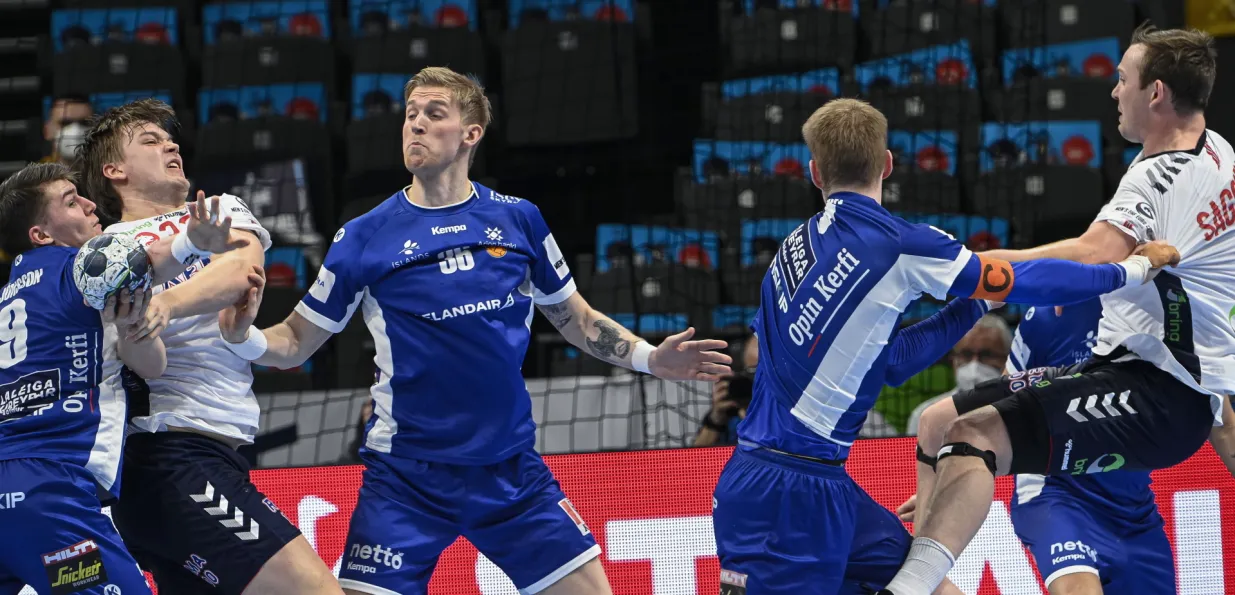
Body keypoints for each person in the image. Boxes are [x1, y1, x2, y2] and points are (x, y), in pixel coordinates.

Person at [215, 66, 733, 595]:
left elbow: (575, 319)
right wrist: (243, 337)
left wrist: (650, 358)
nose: (415, 124)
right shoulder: (364, 236)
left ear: (471, 133)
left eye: (434, 114)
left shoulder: (520, 220)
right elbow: (296, 342)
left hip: (510, 475)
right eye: (410, 114)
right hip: (406, 480)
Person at [708, 97, 1178, 595]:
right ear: (888, 163)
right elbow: (1026, 280)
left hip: (815, 485)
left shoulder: (790, 251)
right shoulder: (902, 243)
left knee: (933, 588)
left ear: (814, 173)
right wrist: (1128, 271)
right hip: (783, 494)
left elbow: (886, 365)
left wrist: (974, 305)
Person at [881, 24, 1234, 595]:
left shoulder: (1159, 175)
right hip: (1141, 381)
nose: (1114, 92)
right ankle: (928, 552)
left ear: (1157, 93)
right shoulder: (1218, 150)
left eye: (1123, 79)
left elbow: (1092, 256)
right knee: (944, 422)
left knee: (976, 434)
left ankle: (912, 587)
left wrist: (978, 271)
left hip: (1157, 394)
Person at [73, 99, 342, 595]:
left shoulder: (215, 210)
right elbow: (141, 362)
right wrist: (143, 322)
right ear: (114, 170)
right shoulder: (106, 253)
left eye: (169, 138)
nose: (170, 144)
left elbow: (243, 271)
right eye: (149, 142)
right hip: (169, 454)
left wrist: (166, 304)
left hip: (217, 453)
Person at [0, 162, 240, 595]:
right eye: (72, 201)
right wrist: (192, 241)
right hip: (48, 492)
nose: (91, 204)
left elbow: (151, 366)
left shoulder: (9, 295)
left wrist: (134, 329)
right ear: (41, 235)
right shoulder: (75, 267)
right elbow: (134, 260)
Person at [899, 299, 1179, 594]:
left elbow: (1219, 421)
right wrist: (954, 476)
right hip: (1054, 492)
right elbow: (995, 416)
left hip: (1132, 508)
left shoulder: (1162, 312)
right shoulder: (1044, 318)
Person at [905, 314, 1012, 436]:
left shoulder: (1025, 410)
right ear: (953, 361)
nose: (974, 364)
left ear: (1008, 358)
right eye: (966, 355)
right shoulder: (925, 415)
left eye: (986, 355)